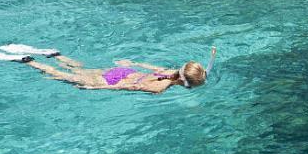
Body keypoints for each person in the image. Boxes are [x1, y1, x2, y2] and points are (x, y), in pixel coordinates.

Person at [22, 47, 216, 94]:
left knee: (81, 69)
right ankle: (29, 62)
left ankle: (56, 55)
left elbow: (148, 68)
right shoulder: (161, 87)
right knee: (65, 77)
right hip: (116, 81)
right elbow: (132, 87)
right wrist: (99, 89)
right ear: (184, 84)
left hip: (122, 71)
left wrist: (131, 63)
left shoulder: (168, 70)